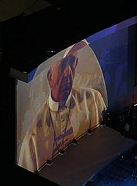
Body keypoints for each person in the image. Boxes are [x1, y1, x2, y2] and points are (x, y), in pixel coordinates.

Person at [18, 41, 107, 172]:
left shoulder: (93, 100)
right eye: (63, 65)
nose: (68, 73)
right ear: (49, 77)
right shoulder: (32, 140)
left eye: (72, 63)